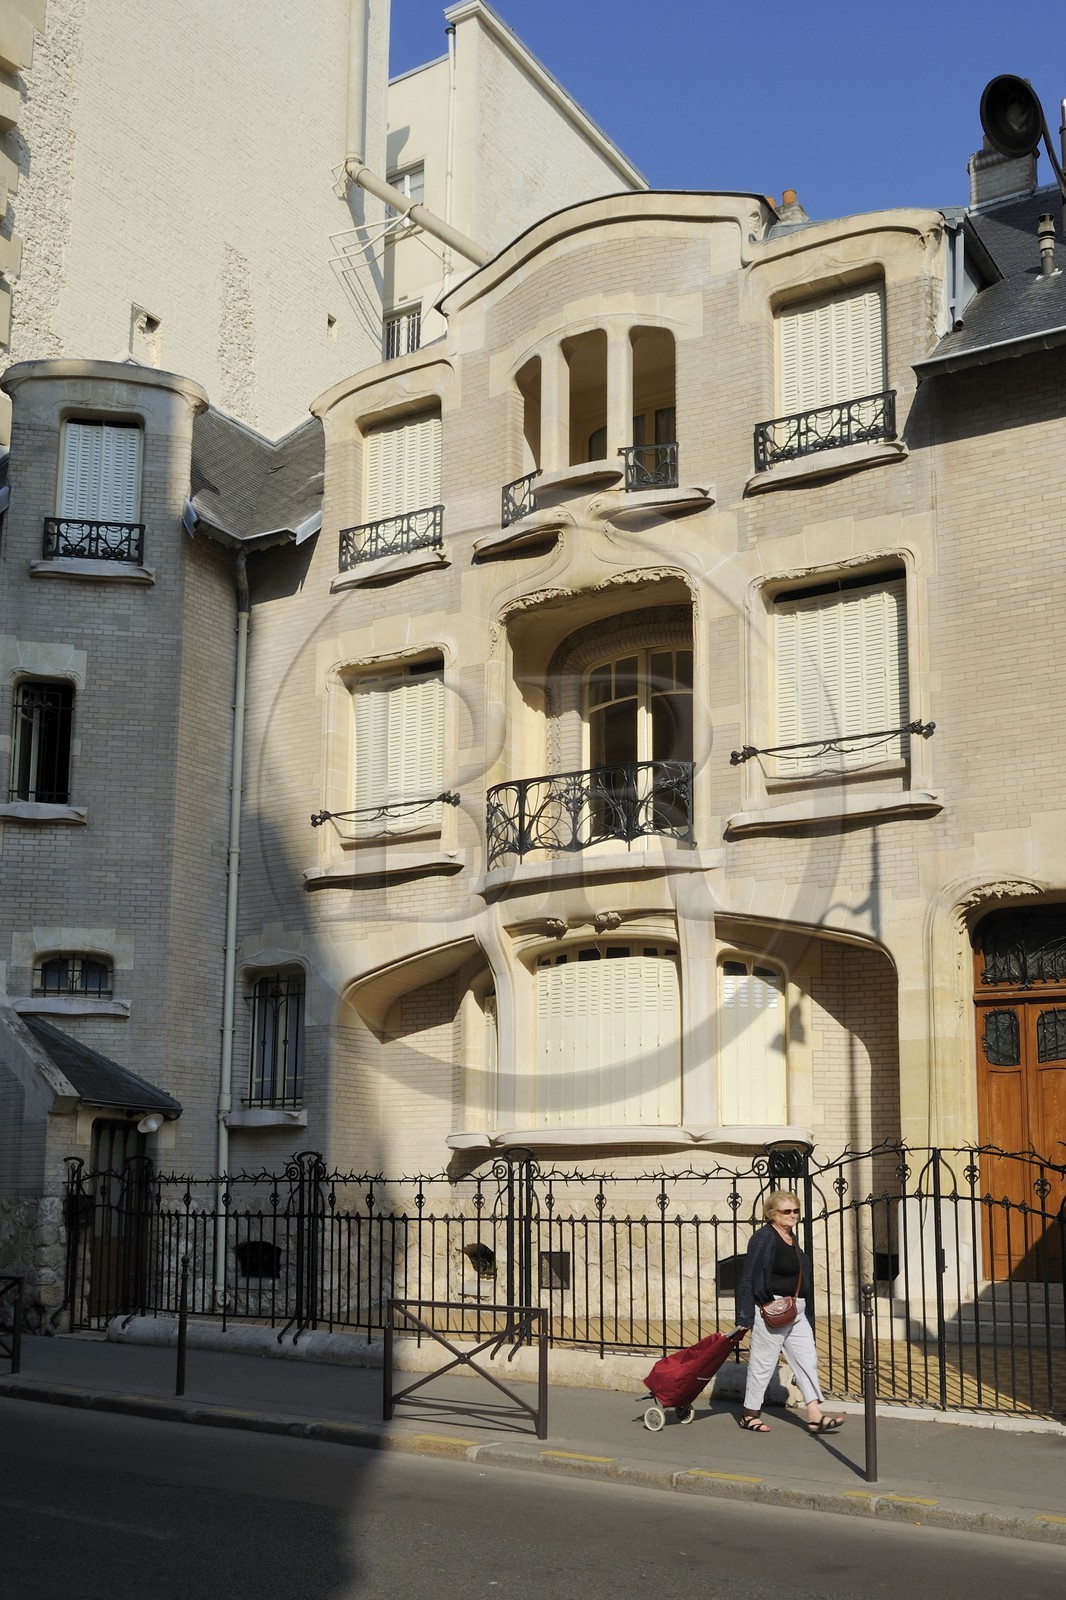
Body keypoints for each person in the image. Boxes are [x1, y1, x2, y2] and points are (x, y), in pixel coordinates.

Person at [735, 1189, 845, 1434]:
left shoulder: (791, 1237)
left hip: (796, 1310)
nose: (793, 1215)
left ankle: (814, 1414)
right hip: (771, 1310)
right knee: (763, 1364)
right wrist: (744, 1316)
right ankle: (749, 1413)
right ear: (772, 1214)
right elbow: (748, 1277)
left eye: (796, 1211)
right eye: (787, 1211)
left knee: (807, 1359)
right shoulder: (764, 1238)